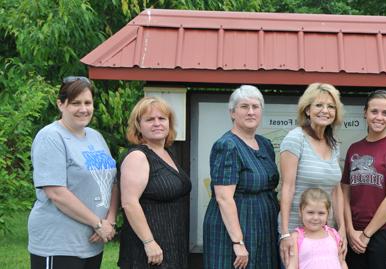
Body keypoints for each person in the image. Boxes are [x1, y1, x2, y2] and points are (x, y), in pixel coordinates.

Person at [28, 76, 118, 269]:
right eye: (75, 103)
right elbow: (56, 193)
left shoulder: (96, 137)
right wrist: (98, 223)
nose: (83, 109)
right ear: (61, 104)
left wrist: (109, 221)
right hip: (59, 242)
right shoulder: (51, 137)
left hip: (92, 242)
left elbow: (112, 181)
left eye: (88, 102)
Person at [203, 85, 280, 269]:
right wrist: (238, 242)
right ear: (232, 113)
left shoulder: (265, 144)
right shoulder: (227, 146)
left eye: (255, 107)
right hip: (235, 228)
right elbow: (223, 197)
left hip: (263, 225)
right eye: (244, 107)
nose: (251, 112)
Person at [118, 96, 192, 268]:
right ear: (139, 125)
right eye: (150, 119)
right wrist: (149, 242)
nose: (157, 123)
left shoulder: (167, 153)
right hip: (148, 250)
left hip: (172, 245)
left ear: (169, 123)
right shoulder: (138, 157)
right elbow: (129, 203)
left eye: (162, 118)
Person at [341, 90, 386, 269]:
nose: (379, 117)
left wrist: (366, 235)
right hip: (355, 232)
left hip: (384, 233)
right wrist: (349, 230)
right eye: (374, 111)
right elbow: (345, 193)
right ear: (365, 112)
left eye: (385, 113)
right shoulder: (354, 149)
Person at [279, 83, 346, 267]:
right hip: (297, 232)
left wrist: (342, 230)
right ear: (307, 110)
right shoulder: (295, 139)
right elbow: (287, 186)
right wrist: (285, 233)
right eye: (319, 105)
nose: (325, 111)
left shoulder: (333, 144)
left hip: (326, 232)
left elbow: (336, 190)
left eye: (331, 107)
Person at [288, 188, 348, 269]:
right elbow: (292, 266)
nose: (315, 217)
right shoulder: (296, 237)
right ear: (300, 211)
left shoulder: (333, 234)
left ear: (328, 214)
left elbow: (342, 262)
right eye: (310, 212)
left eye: (321, 213)